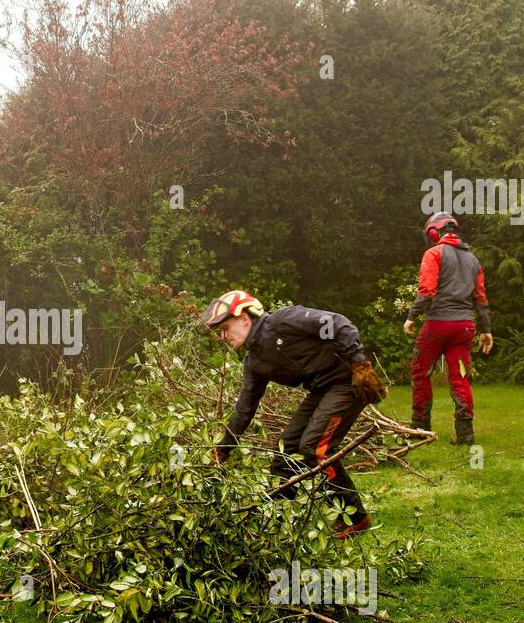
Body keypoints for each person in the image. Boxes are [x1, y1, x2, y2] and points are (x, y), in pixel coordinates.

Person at [203, 290, 386, 540]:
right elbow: (245, 408)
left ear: (244, 319)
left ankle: (356, 518)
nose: (223, 337)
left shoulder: (283, 322)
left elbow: (337, 324)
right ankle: (275, 519)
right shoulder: (255, 362)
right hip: (321, 389)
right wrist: (223, 448)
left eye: (225, 328)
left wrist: (359, 364)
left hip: (347, 381)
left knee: (317, 449)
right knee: (285, 451)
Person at [403, 213, 493, 445]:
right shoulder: (474, 260)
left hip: (438, 326)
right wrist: (486, 330)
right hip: (464, 328)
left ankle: (420, 428)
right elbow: (480, 298)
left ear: (434, 232)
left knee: (420, 371)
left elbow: (427, 290)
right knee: (460, 376)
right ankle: (465, 434)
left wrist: (412, 317)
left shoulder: (433, 253)